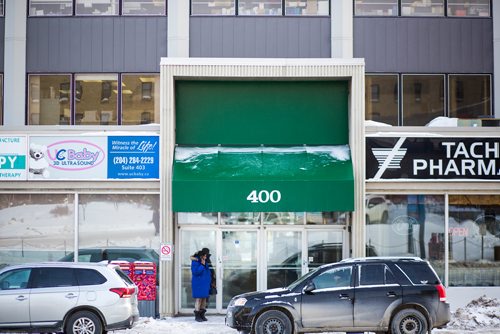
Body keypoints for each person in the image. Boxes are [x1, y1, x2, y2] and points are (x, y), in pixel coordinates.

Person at [191, 249, 211, 322]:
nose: (206, 257)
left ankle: (202, 315)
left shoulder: (205, 262)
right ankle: (197, 316)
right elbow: (195, 272)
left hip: (204, 284)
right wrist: (202, 265)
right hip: (198, 284)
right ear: (201, 256)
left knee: (204, 300)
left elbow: (207, 273)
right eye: (205, 255)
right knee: (198, 299)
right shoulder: (195, 262)